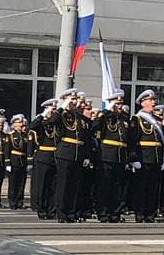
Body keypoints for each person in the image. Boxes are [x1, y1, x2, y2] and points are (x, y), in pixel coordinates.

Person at [50, 89, 91, 223]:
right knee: (63, 185)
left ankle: (71, 212)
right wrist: (62, 107)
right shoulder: (61, 115)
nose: (75, 102)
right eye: (72, 100)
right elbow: (52, 121)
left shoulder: (80, 118)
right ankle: (61, 212)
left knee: (74, 186)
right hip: (65, 152)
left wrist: (86, 156)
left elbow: (86, 139)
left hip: (78, 154)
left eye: (75, 99)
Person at [127, 89, 164, 223]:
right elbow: (132, 140)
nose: (153, 103)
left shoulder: (156, 120)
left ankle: (150, 214)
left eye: (154, 100)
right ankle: (140, 213)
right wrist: (134, 159)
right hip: (143, 157)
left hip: (156, 157)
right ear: (143, 103)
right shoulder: (136, 119)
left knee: (153, 188)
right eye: (151, 100)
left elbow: (162, 141)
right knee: (141, 187)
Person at [91, 90, 129, 223]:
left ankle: (115, 213)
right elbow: (93, 127)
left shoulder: (124, 118)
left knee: (117, 187)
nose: (119, 106)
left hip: (121, 156)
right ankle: (103, 213)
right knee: (104, 186)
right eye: (117, 103)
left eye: (121, 103)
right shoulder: (105, 117)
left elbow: (129, 139)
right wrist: (106, 112)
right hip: (106, 155)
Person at [29, 99, 59, 219]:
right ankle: (41, 211)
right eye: (52, 109)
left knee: (53, 186)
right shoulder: (41, 124)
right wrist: (43, 115)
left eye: (55, 109)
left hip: (55, 157)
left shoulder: (57, 123)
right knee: (42, 186)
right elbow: (32, 126)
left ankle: (51, 210)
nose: (54, 111)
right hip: (43, 157)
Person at [5, 114, 29, 209]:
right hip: (14, 160)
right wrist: (7, 163)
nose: (21, 124)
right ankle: (12, 202)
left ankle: (20, 201)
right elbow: (7, 150)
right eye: (19, 123)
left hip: (22, 161)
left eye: (21, 122)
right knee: (13, 183)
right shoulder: (10, 136)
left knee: (21, 183)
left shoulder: (24, 135)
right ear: (14, 124)